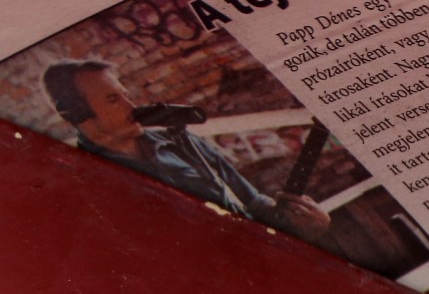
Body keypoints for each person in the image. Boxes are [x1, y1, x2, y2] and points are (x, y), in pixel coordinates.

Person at [42, 59, 331, 238]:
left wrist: (307, 223)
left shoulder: (180, 140)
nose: (132, 107)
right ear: (75, 112)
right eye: (112, 100)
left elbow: (252, 201)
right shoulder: (84, 181)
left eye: (125, 95)